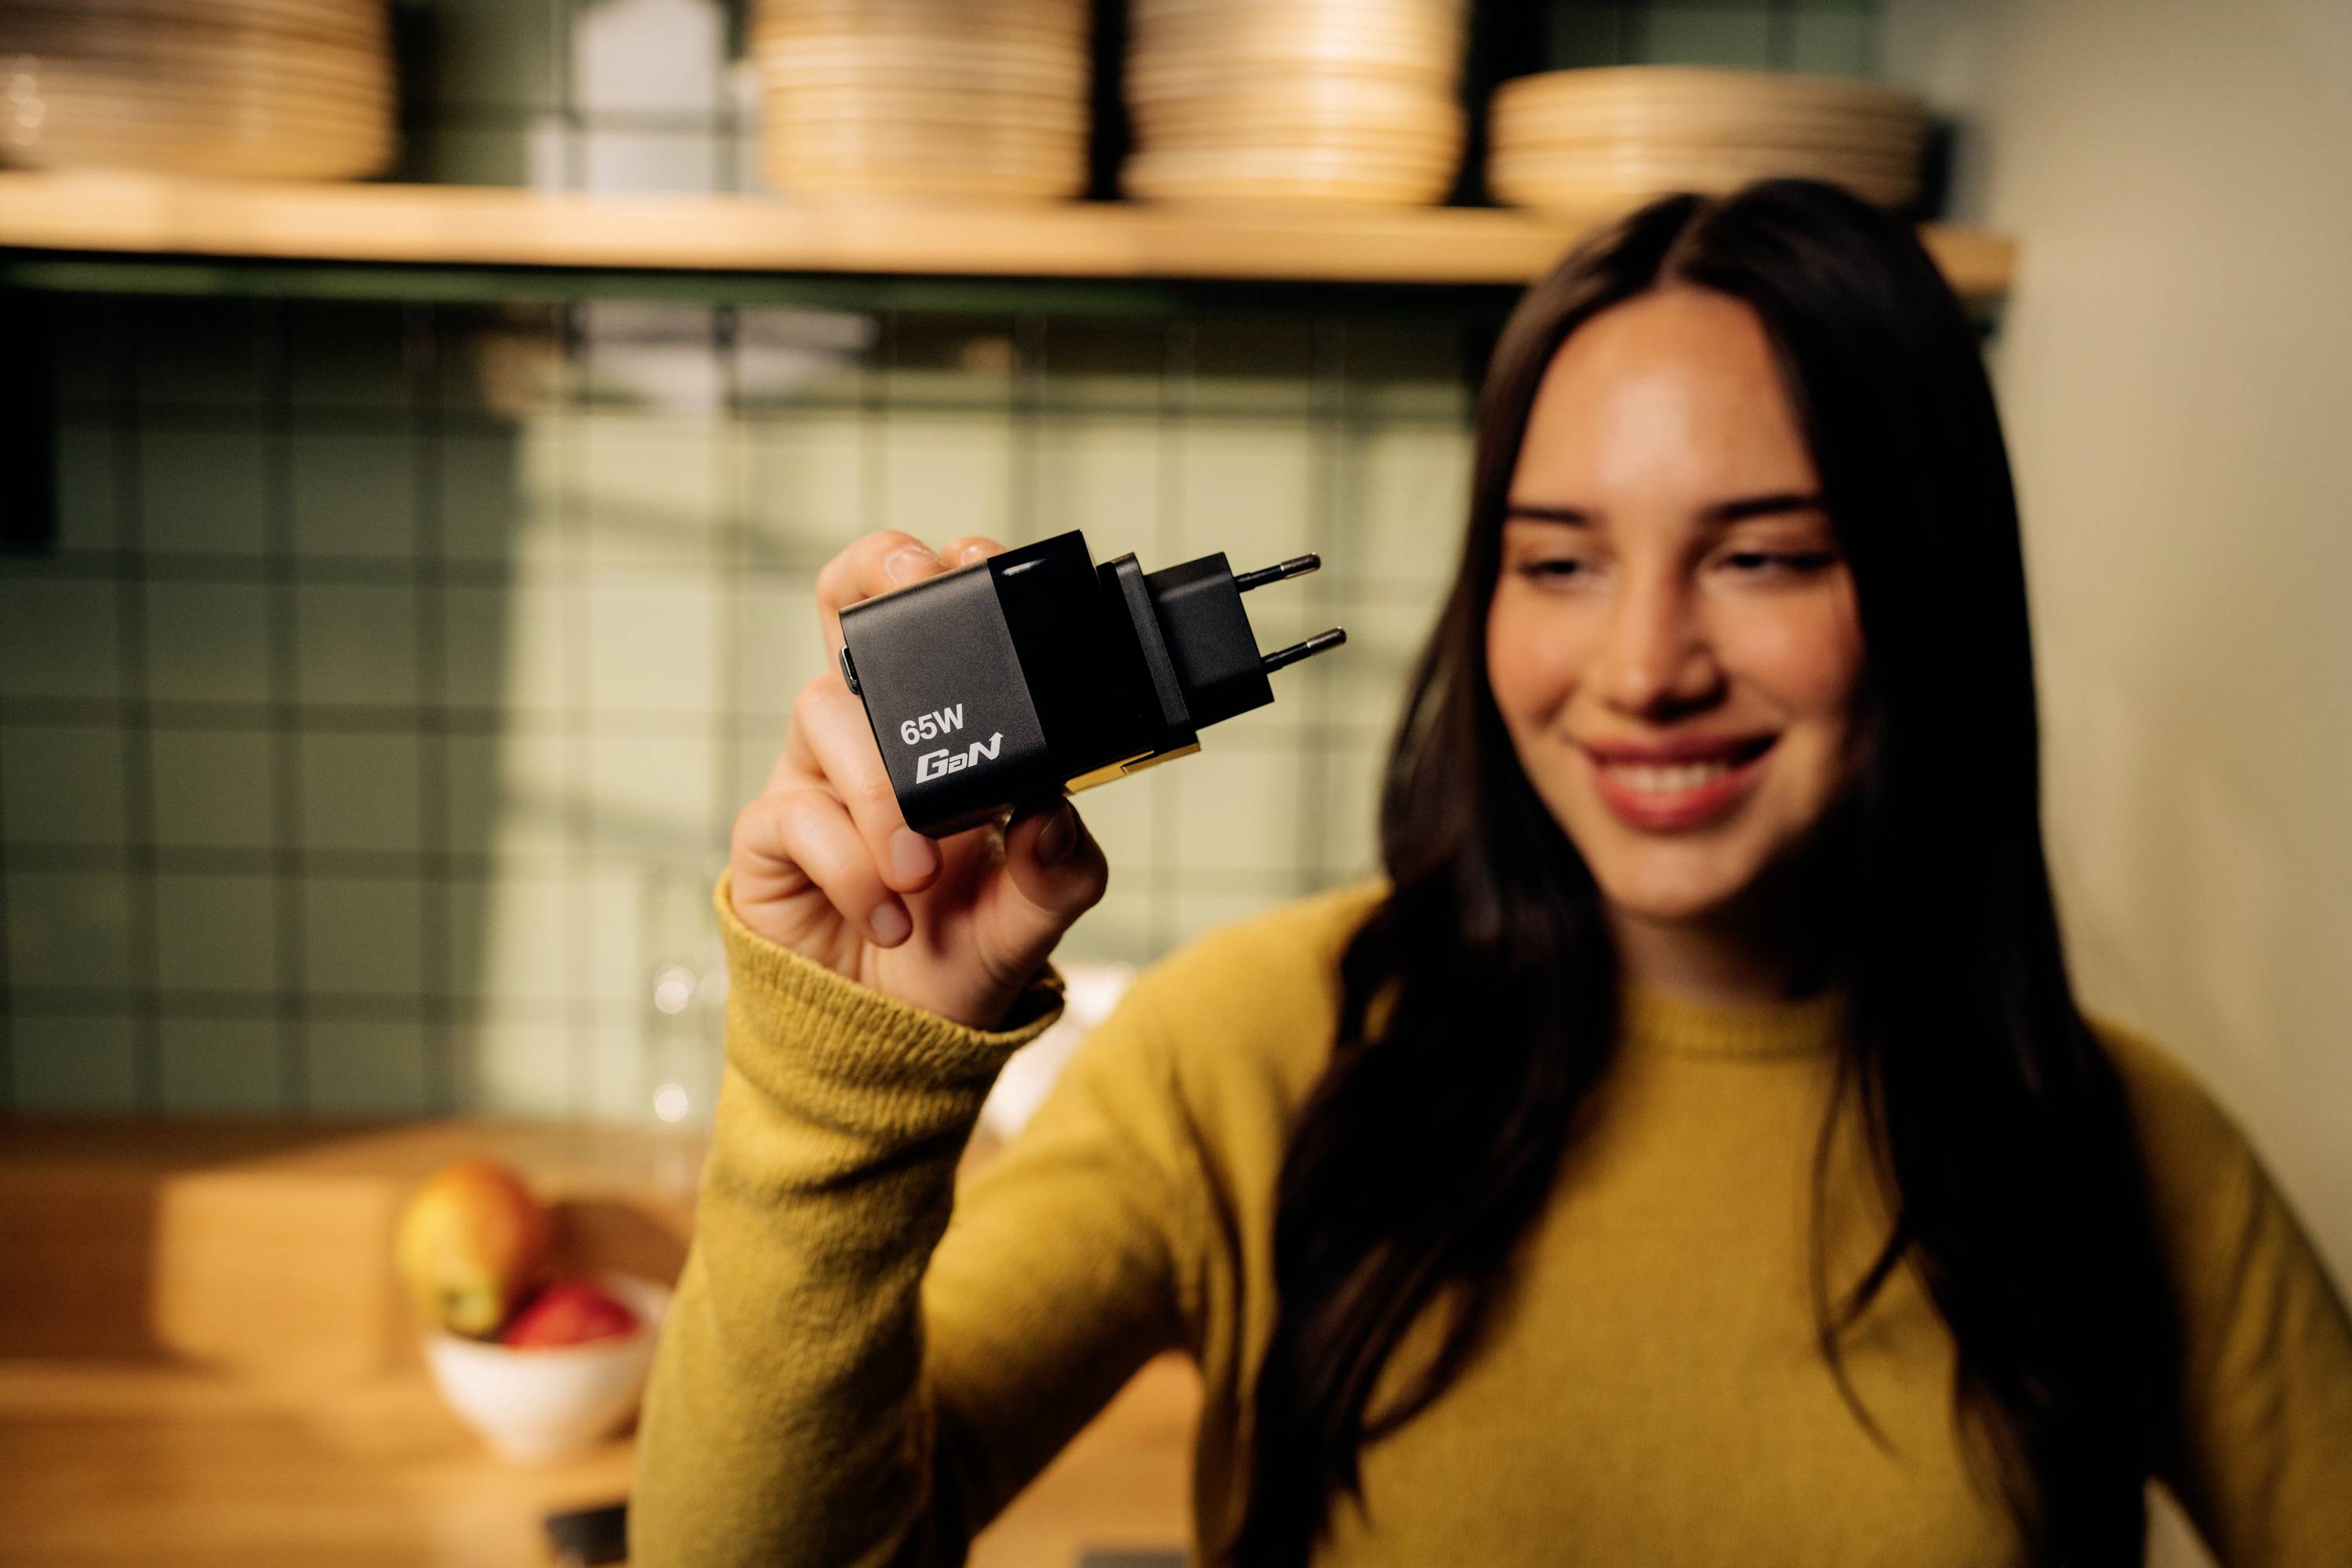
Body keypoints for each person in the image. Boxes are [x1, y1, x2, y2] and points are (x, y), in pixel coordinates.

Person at [630, 181, 2352, 1566]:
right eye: (1559, 560)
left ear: (1923, 589)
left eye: (1759, 554)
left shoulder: (2134, 1154)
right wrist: (839, 1073)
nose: (1644, 664)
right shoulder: (1250, 1054)